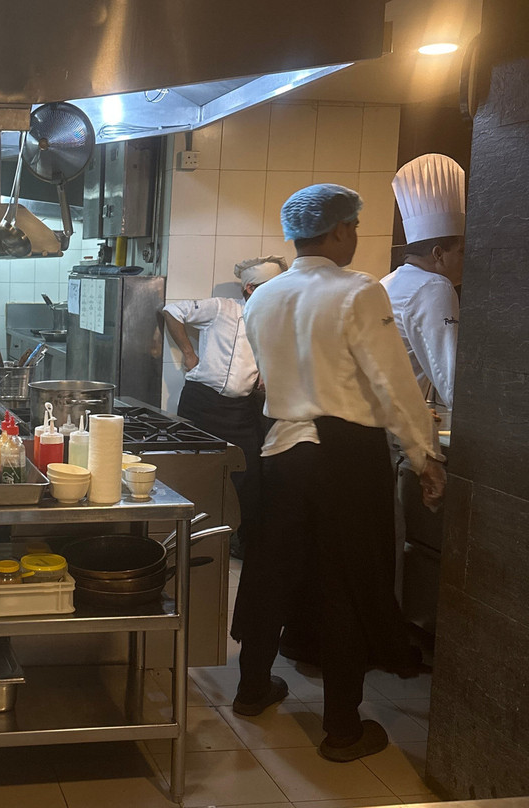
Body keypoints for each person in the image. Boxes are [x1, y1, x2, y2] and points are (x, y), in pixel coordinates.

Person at [231, 183, 446, 762]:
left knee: (270, 572)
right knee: (345, 582)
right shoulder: (358, 290)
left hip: (280, 448)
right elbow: (393, 383)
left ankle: (252, 690)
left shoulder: (263, 296)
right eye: (354, 227)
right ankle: (343, 730)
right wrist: (423, 454)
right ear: (340, 230)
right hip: (345, 455)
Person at [161, 255, 287, 558]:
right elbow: (172, 311)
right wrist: (188, 353)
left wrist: (264, 374)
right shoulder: (222, 308)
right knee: (197, 473)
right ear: (250, 288)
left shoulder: (275, 321)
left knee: (249, 474)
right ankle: (190, 539)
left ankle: (242, 542)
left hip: (241, 409)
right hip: (202, 403)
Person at [382, 153, 466, 409]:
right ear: (438, 254)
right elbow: (452, 383)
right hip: (396, 422)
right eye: (462, 251)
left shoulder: (388, 282)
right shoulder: (434, 286)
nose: (467, 260)